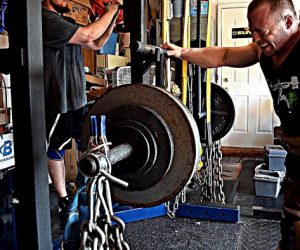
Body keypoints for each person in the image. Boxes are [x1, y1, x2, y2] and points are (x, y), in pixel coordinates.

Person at [163, 0, 300, 249]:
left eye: (262, 31)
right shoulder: (263, 50)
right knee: (291, 228)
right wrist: (183, 53)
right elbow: (223, 55)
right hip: (296, 158)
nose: (256, 38)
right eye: (252, 32)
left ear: (288, 22)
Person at [41, 0, 120, 223]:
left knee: (85, 144)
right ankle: (64, 199)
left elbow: (96, 43)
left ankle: (84, 191)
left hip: (76, 98)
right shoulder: (45, 20)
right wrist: (112, 10)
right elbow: (87, 35)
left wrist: (112, 16)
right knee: (55, 148)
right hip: (59, 100)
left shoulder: (64, 22)